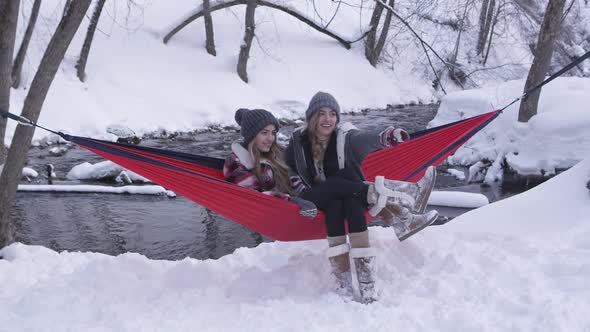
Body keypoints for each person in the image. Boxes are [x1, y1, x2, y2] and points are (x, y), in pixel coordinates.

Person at [284, 91, 438, 303]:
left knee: (347, 205)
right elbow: (287, 170)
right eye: (321, 113)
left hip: (343, 199)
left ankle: (360, 288)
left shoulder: (344, 137)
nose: (328, 119)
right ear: (312, 117)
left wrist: (386, 137)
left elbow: (364, 138)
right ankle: (406, 200)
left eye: (332, 114)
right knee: (341, 179)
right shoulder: (297, 142)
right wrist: (298, 192)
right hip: (312, 198)